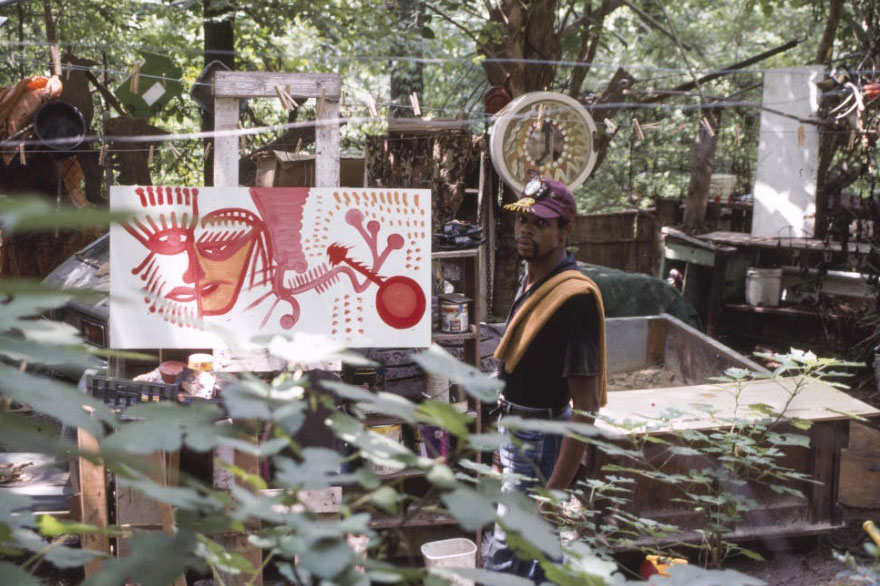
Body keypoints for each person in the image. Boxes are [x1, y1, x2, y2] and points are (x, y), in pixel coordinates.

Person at [483, 176, 607, 582]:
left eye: (539, 223)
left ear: (565, 230)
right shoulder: (534, 278)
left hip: (541, 438)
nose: (525, 230)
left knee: (506, 556)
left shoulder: (575, 299)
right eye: (522, 220)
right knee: (535, 556)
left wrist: (554, 491)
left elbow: (586, 408)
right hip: (518, 430)